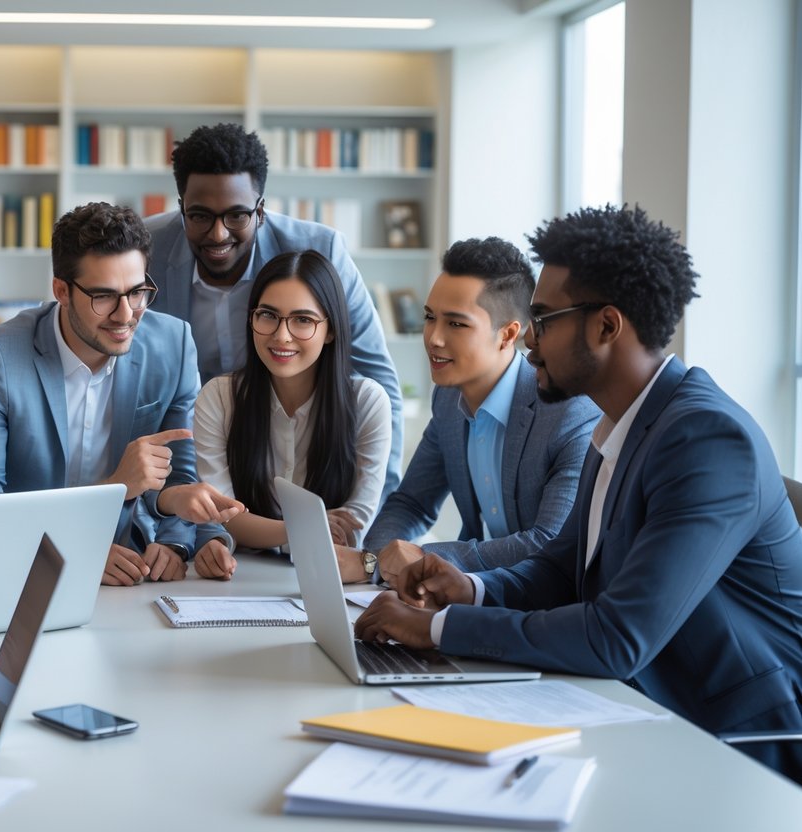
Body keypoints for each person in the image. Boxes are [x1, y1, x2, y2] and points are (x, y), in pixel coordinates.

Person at [355, 205, 802, 784]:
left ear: (607, 326)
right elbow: (563, 568)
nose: (530, 341)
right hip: (638, 704)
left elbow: (617, 636)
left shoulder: (707, 440)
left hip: (729, 741)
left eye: (542, 319)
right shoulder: (620, 422)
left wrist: (438, 629)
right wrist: (468, 590)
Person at [0, 202, 244, 586]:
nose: (125, 315)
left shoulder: (173, 344)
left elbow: (179, 474)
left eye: (137, 292)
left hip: (130, 573)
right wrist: (81, 539)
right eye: (103, 296)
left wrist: (176, 543)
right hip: (23, 576)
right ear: (61, 291)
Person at [145, 122, 404, 497]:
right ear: (181, 206)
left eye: (236, 215)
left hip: (293, 457)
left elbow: (376, 375)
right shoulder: (146, 251)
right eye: (200, 215)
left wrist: (379, 501)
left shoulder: (320, 250)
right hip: (188, 451)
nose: (218, 234)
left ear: (261, 210)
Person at [358, 238, 599, 582]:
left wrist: (421, 558)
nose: (434, 338)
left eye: (456, 324)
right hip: (469, 594)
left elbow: (547, 542)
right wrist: (373, 561)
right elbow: (412, 503)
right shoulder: (447, 401)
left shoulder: (568, 411)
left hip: (542, 605)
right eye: (429, 317)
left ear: (508, 335)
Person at [193, 250, 390, 581]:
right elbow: (223, 515)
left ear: (330, 330)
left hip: (331, 578)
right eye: (268, 315)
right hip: (240, 577)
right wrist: (304, 526)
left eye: (303, 320)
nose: (281, 335)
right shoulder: (219, 397)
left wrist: (262, 529)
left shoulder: (367, 402)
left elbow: (353, 524)